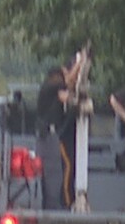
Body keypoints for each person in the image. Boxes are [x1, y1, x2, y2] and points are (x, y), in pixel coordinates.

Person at [35, 54, 87, 209]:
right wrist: (80, 63)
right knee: (61, 169)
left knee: (61, 168)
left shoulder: (53, 91)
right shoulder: (50, 86)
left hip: (50, 136)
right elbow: (68, 82)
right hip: (48, 136)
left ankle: (61, 202)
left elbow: (67, 95)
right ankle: (63, 202)